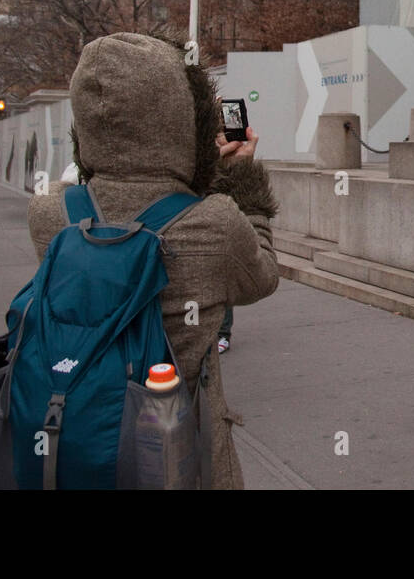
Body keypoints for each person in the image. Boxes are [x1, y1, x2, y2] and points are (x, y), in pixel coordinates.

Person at [28, 33, 281, 488]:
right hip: (185, 455)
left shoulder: (49, 214)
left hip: (78, 441)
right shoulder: (216, 221)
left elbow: (114, 196)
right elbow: (261, 278)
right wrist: (234, 175)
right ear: (188, 116)